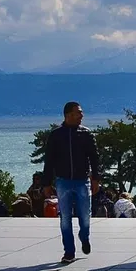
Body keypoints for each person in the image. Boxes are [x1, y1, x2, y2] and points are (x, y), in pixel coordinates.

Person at [42, 101, 102, 262]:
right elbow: (49, 160)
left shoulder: (86, 133)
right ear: (68, 115)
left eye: (81, 112)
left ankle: (84, 236)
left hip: (82, 181)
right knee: (65, 218)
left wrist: (96, 178)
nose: (82, 115)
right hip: (63, 182)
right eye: (78, 112)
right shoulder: (56, 135)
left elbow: (95, 158)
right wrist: (46, 183)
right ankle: (69, 251)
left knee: (85, 216)